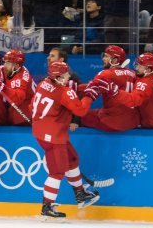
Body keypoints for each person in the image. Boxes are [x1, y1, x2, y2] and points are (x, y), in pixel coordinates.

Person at [32, 61, 101, 219]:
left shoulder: (43, 83)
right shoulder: (64, 92)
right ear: (57, 76)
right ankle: (47, 206)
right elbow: (81, 110)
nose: (69, 75)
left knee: (72, 159)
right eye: (65, 74)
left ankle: (80, 194)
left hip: (46, 131)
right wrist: (90, 95)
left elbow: (32, 106)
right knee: (57, 172)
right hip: (53, 136)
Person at [80, 45, 139, 132]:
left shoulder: (106, 74)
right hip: (133, 121)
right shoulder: (133, 73)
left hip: (113, 122)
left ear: (115, 60)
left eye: (106, 56)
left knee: (80, 116)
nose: (103, 59)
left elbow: (91, 92)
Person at [102, 53, 153, 129]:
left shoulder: (145, 84)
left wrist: (115, 91)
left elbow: (133, 100)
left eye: (140, 66)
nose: (137, 67)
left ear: (148, 70)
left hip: (151, 123)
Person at [0, 49, 35, 125]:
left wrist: (2, 88)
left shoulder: (23, 78)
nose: (4, 65)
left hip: (24, 114)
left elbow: (18, 98)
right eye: (5, 62)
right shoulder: (9, 70)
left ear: (17, 65)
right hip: (13, 110)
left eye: (8, 63)